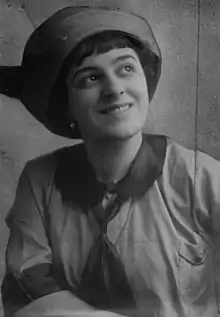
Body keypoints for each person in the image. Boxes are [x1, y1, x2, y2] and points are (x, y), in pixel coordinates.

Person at [0, 3, 220, 317]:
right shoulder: (41, 182)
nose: (114, 89)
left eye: (126, 68)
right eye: (90, 78)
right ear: (67, 106)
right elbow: (27, 285)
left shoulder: (201, 177)